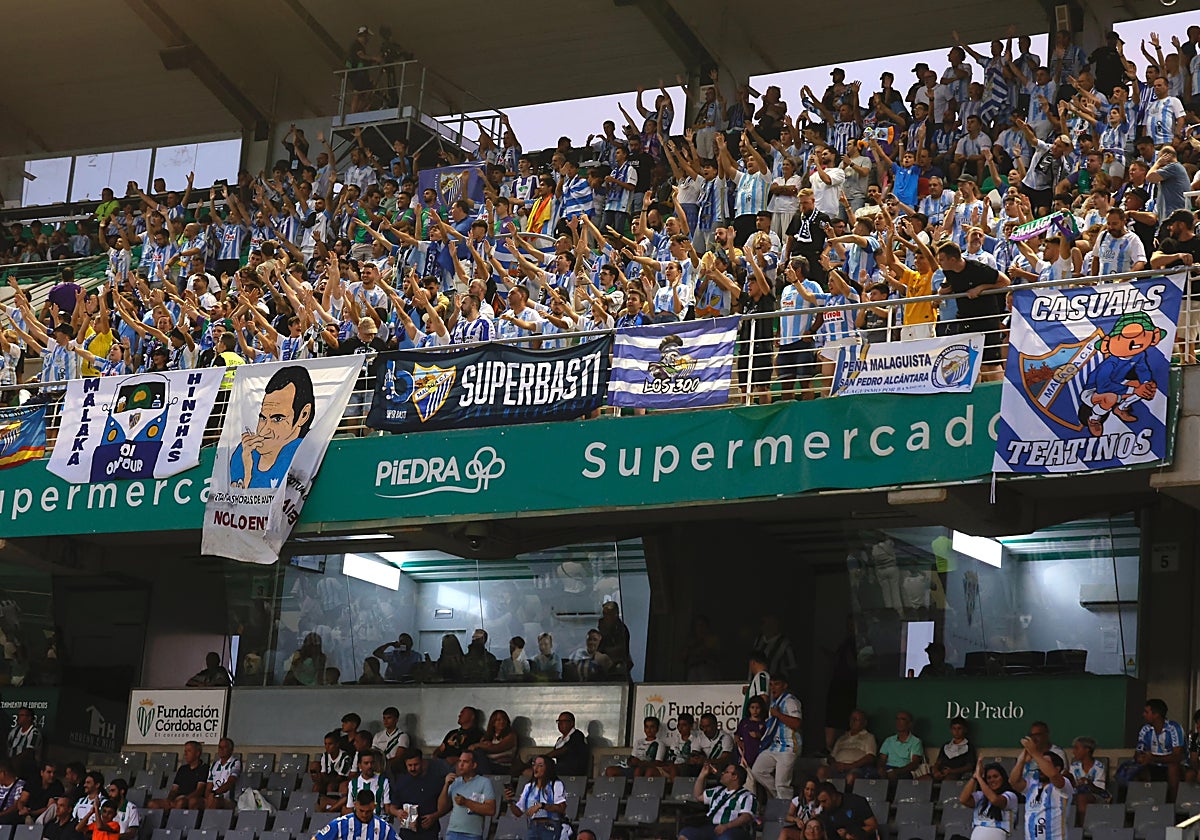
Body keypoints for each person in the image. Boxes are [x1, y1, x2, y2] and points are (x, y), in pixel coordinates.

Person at [229, 364, 316, 489]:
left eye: (277, 419)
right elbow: (235, 506)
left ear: (303, 415)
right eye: (263, 418)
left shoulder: (303, 452)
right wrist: (247, 473)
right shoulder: (244, 452)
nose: (264, 430)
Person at [1009, 737, 1074, 840]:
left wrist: (1035, 753)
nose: (1040, 767)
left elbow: (1053, 774)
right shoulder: (1032, 786)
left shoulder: (1064, 785)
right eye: (1039, 764)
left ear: (1057, 768)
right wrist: (1022, 760)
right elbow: (1013, 782)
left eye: (1044, 764)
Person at [751, 675, 803, 799]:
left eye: (777, 684)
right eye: (771, 684)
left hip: (789, 746)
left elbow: (797, 723)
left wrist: (778, 714)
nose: (773, 687)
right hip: (774, 746)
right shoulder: (774, 702)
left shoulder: (791, 701)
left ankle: (786, 810)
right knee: (757, 770)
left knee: (781, 784)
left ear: (785, 686)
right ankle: (780, 799)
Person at [680, 762, 757, 840]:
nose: (722, 773)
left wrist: (726, 826)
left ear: (734, 777)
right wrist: (702, 775)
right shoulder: (717, 790)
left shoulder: (747, 796)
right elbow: (698, 796)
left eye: (726, 772)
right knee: (686, 834)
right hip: (710, 827)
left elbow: (747, 816)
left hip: (732, 829)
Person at [504, 756, 566, 840]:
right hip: (532, 827)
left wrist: (542, 806)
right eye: (534, 765)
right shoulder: (528, 787)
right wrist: (510, 802)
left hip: (550, 826)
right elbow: (518, 812)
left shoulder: (556, 784)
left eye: (540, 765)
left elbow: (561, 808)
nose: (536, 768)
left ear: (548, 768)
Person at [437, 751, 496, 840]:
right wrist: (446, 786)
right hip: (452, 832)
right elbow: (441, 809)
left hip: (472, 834)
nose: (461, 765)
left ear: (474, 765)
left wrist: (466, 802)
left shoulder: (484, 782)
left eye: (465, 762)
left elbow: (491, 810)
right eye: (460, 761)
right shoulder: (454, 782)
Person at [1135, 698, 1186, 798]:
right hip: (1152, 765)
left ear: (1156, 715)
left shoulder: (1174, 728)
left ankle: (1174, 807)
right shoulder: (1145, 729)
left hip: (1170, 766)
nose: (1143, 715)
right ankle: (1144, 804)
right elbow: (1139, 751)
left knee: (1173, 767)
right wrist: (1140, 758)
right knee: (1138, 769)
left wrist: (1153, 758)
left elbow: (1177, 756)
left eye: (1146, 712)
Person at [388, 750, 442, 840]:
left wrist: (435, 816)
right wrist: (398, 813)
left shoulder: (434, 781)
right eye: (410, 765)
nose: (413, 768)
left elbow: (446, 806)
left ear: (422, 762)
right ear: (405, 764)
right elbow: (392, 807)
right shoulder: (401, 782)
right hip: (407, 832)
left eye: (416, 765)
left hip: (429, 832)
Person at [959, 759, 1017, 840]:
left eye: (995, 776)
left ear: (1003, 778)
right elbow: (963, 800)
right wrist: (975, 777)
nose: (992, 780)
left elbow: (994, 800)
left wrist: (979, 778)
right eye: (988, 778)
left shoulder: (1010, 795)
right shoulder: (981, 796)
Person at [314, 790, 400, 840]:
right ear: (355, 805)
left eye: (368, 811)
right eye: (361, 810)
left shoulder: (384, 827)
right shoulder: (340, 824)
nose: (364, 814)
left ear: (374, 806)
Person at [147, 741, 207, 811]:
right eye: (185, 751)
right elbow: (174, 789)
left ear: (197, 753)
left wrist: (184, 798)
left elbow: (199, 790)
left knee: (181, 803)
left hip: (190, 800)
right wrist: (169, 800)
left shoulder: (204, 768)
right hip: (177, 800)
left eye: (189, 751)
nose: (185, 754)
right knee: (152, 803)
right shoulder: (182, 769)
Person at [820, 710, 876, 783]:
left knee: (851, 777)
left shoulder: (869, 737)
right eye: (851, 719)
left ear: (864, 723)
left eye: (856, 719)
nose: (853, 721)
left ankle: (845, 794)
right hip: (837, 767)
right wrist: (835, 764)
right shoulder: (842, 738)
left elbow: (870, 757)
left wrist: (850, 766)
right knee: (822, 771)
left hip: (855, 768)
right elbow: (832, 756)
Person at [1068, 736, 1111, 821]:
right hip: (1076, 795)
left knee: (1082, 798)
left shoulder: (1098, 767)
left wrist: (1088, 783)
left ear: (1087, 750)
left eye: (1077, 748)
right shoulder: (1074, 766)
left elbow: (1099, 790)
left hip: (1096, 796)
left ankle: (1082, 827)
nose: (1073, 752)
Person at [875, 711, 924, 781]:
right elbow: (882, 759)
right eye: (897, 719)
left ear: (910, 724)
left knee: (896, 777)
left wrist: (897, 771)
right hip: (887, 768)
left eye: (902, 719)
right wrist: (881, 768)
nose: (899, 722)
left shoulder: (915, 742)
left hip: (903, 770)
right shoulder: (889, 740)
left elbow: (914, 763)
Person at [541, 711, 589, 778]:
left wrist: (544, 758)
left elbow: (564, 750)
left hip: (573, 771)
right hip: (560, 768)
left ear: (572, 723)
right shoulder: (560, 740)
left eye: (564, 721)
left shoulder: (577, 735)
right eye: (559, 721)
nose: (560, 724)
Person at [472, 710, 517, 776]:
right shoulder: (487, 737)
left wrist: (478, 745)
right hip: (487, 764)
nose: (502, 722)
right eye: (498, 720)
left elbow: (497, 748)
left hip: (503, 766)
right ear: (493, 723)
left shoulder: (511, 736)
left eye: (504, 719)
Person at [736, 698, 768, 781]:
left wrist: (759, 735)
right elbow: (736, 735)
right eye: (752, 707)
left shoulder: (765, 723)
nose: (755, 710)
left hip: (759, 755)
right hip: (745, 755)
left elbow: (768, 738)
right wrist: (739, 742)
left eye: (757, 708)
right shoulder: (744, 722)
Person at [204, 738, 241, 810]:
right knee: (194, 802)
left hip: (229, 800)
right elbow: (209, 786)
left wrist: (214, 793)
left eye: (225, 747)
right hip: (214, 796)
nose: (221, 749)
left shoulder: (236, 763)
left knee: (214, 802)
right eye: (220, 747)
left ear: (231, 750)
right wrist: (208, 797)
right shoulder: (214, 765)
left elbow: (230, 782)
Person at [5, 707, 40, 778]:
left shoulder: (34, 733)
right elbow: (7, 745)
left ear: (29, 718)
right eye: (19, 715)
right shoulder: (15, 731)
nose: (18, 717)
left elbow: (29, 752)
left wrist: (12, 761)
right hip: (11, 761)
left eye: (21, 715)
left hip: (26, 765)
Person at [0, 760, 24, 826]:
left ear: (3, 773)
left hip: (8, 819)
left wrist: (1, 814)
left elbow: (15, 806)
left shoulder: (20, 784)